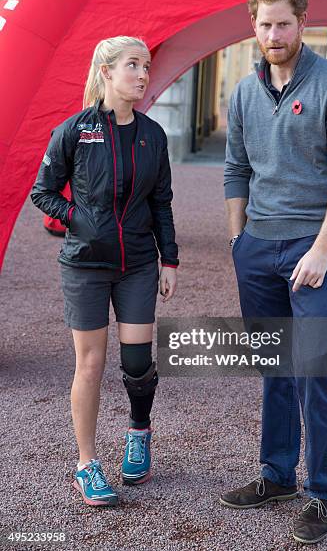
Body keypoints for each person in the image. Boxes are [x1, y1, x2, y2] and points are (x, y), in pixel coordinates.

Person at [221, 0, 327, 545]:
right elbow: (236, 169)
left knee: (316, 371)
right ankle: (277, 476)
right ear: (252, 26)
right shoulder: (241, 91)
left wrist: (322, 250)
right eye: (264, 24)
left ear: (304, 23)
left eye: (283, 23)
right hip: (257, 248)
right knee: (274, 369)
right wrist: (239, 241)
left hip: (313, 248)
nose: (274, 33)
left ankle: (321, 493)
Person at [31, 36, 178, 507]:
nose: (142, 74)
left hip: (136, 263)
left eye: (146, 66)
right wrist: (79, 219)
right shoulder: (73, 131)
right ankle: (87, 463)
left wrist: (169, 258)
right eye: (133, 65)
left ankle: (139, 432)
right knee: (90, 365)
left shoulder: (153, 135)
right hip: (85, 266)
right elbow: (43, 191)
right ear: (106, 71)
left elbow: (161, 202)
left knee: (137, 363)